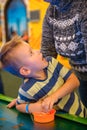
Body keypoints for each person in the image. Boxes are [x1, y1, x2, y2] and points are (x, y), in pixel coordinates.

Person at [0, 36, 87, 118]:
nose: (38, 51)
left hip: (80, 113)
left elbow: (75, 81)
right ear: (26, 70)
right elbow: (19, 106)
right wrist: (31, 107)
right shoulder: (26, 90)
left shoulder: (51, 63)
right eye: (31, 53)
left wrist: (54, 97)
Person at [41, 0, 87, 107]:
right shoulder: (51, 12)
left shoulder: (82, 6)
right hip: (81, 74)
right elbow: (47, 52)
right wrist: (26, 97)